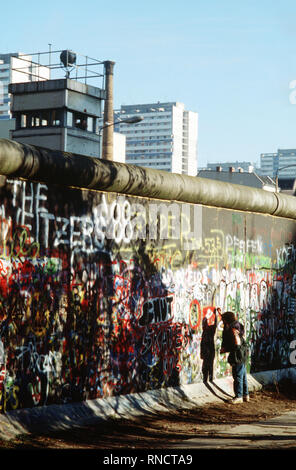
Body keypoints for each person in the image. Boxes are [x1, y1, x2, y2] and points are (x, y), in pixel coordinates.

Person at [220, 311, 249, 404]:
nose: (222, 321)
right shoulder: (236, 325)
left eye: (223, 319)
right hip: (243, 353)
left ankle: (239, 396)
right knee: (243, 375)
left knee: (238, 376)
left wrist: (226, 349)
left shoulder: (232, 328)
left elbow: (236, 343)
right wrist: (220, 313)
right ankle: (245, 395)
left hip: (237, 354)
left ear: (226, 320)